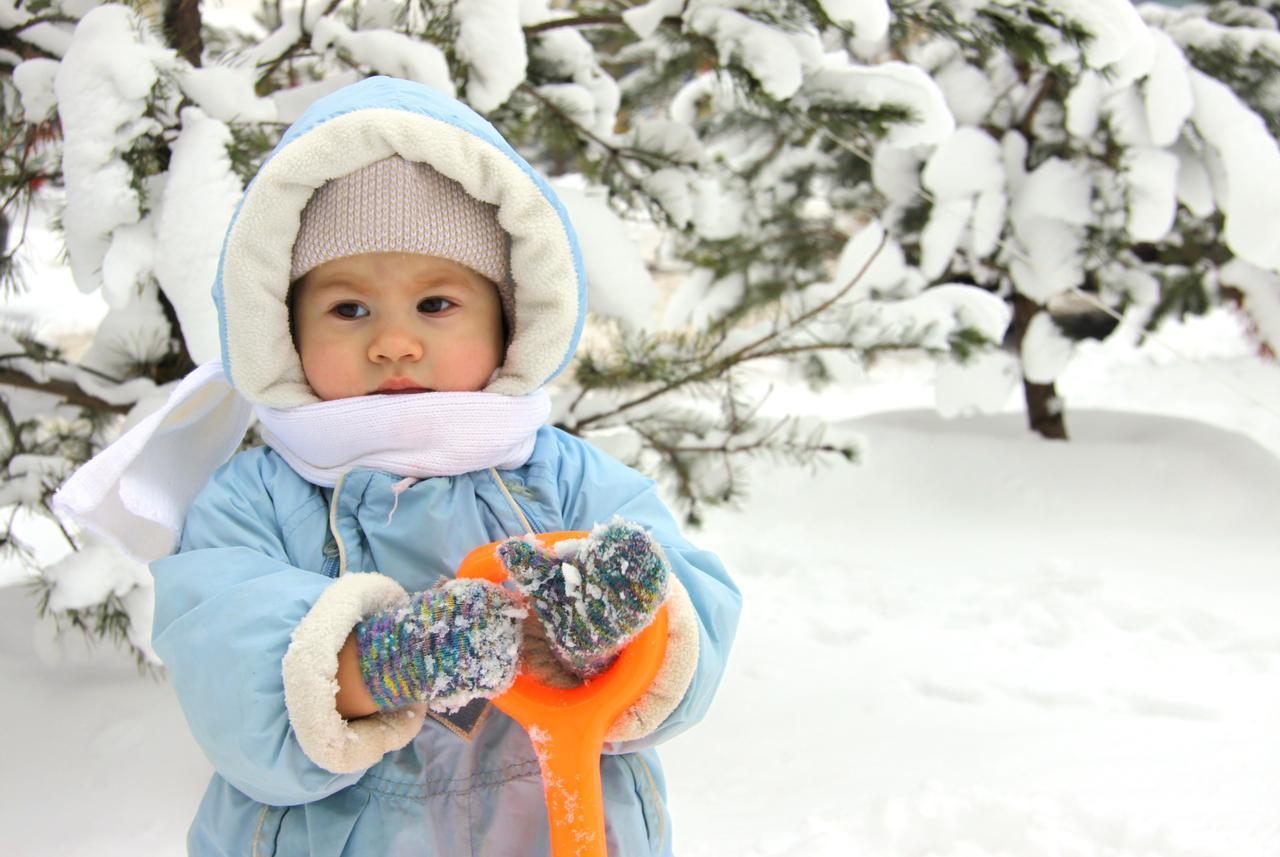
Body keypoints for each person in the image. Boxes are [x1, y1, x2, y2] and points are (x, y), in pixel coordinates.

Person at [54, 75, 741, 856]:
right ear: (282, 327)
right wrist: (389, 658)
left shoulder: (568, 479)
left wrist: (618, 620)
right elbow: (230, 676)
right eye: (349, 309)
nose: (393, 342)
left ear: (509, 317)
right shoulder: (254, 500)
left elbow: (692, 609)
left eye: (436, 305)